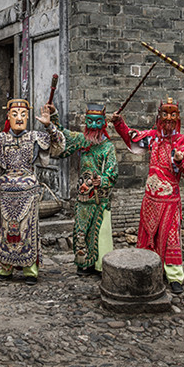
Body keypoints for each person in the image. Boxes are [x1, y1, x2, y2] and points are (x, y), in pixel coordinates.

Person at [110, 98, 184, 295]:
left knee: (172, 237)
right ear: (159, 117)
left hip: (169, 200)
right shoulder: (153, 138)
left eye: (172, 115)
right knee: (148, 233)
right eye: (164, 115)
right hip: (151, 197)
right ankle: (147, 268)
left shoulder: (182, 141)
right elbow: (132, 137)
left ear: (177, 118)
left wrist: (180, 161)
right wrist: (118, 123)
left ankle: (175, 276)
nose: (168, 119)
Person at [0, 98, 65, 284]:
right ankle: (6, 267)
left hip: (28, 191)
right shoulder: (0, 137)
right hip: (5, 191)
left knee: (27, 230)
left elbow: (59, 146)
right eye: (15, 114)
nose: (19, 118)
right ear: (8, 116)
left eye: (24, 115)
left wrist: (49, 125)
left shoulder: (35, 137)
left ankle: (30, 270)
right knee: (5, 229)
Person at [48, 102, 118, 275]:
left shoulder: (108, 147)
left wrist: (101, 180)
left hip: (99, 198)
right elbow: (64, 134)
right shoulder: (82, 140)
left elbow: (113, 172)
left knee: (99, 231)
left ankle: (100, 264)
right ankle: (83, 263)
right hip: (83, 195)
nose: (93, 125)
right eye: (90, 121)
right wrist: (53, 116)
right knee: (81, 230)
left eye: (97, 121)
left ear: (104, 123)